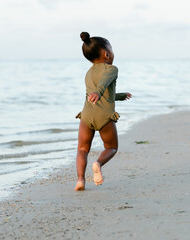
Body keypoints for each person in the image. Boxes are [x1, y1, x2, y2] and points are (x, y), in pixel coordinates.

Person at [74, 32, 132, 191]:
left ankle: (80, 180)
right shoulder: (112, 69)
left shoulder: (88, 73)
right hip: (104, 116)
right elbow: (104, 84)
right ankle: (98, 164)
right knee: (111, 147)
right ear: (107, 54)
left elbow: (100, 92)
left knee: (82, 149)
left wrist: (119, 96)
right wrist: (99, 92)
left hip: (86, 114)